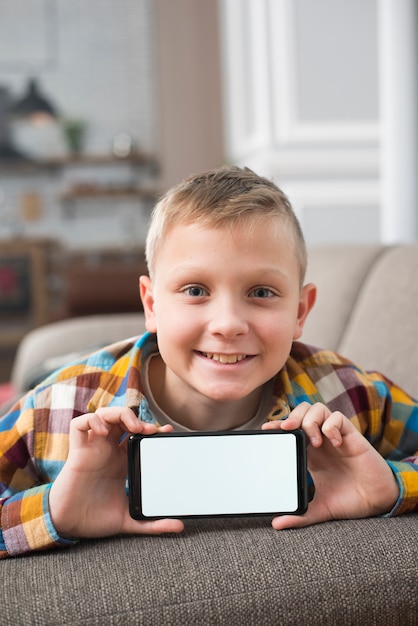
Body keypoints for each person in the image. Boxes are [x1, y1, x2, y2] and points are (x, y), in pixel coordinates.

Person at [0, 166, 417, 558]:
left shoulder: (350, 395)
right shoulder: (56, 409)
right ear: (151, 304)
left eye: (262, 292)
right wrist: (54, 510)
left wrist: (391, 486)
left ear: (300, 312)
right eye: (196, 290)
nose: (228, 325)